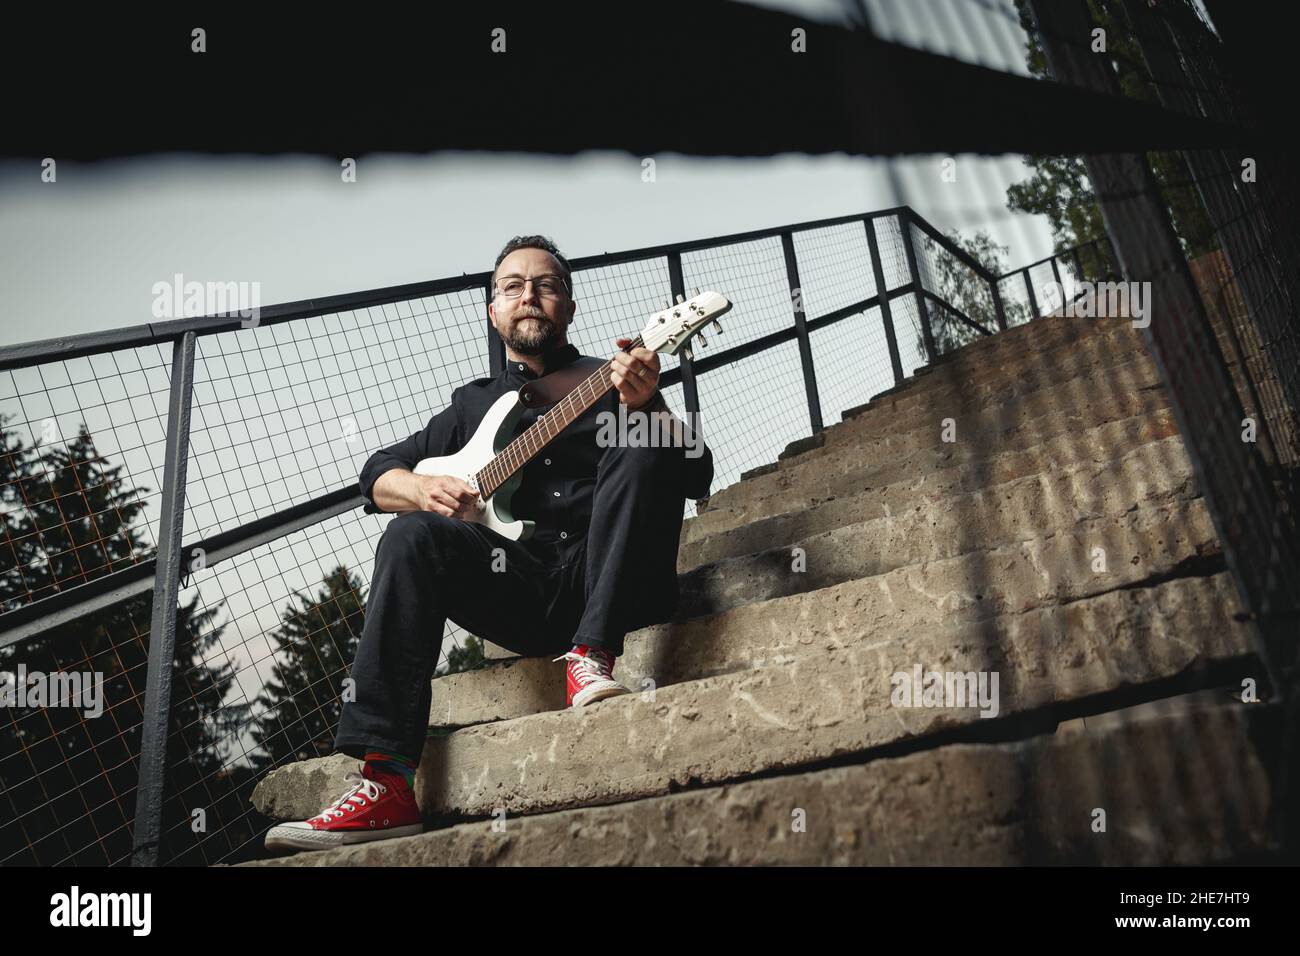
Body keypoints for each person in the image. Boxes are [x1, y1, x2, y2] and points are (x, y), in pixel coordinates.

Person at [264, 234, 713, 852]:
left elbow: (697, 473)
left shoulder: (612, 378)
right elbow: (378, 472)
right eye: (512, 286)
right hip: (525, 589)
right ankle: (387, 783)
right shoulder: (473, 405)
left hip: (612, 579)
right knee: (409, 533)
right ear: (494, 311)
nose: (529, 295)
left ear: (570, 308)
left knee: (640, 440)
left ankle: (590, 658)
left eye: (546, 285)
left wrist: (651, 405)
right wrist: (423, 493)